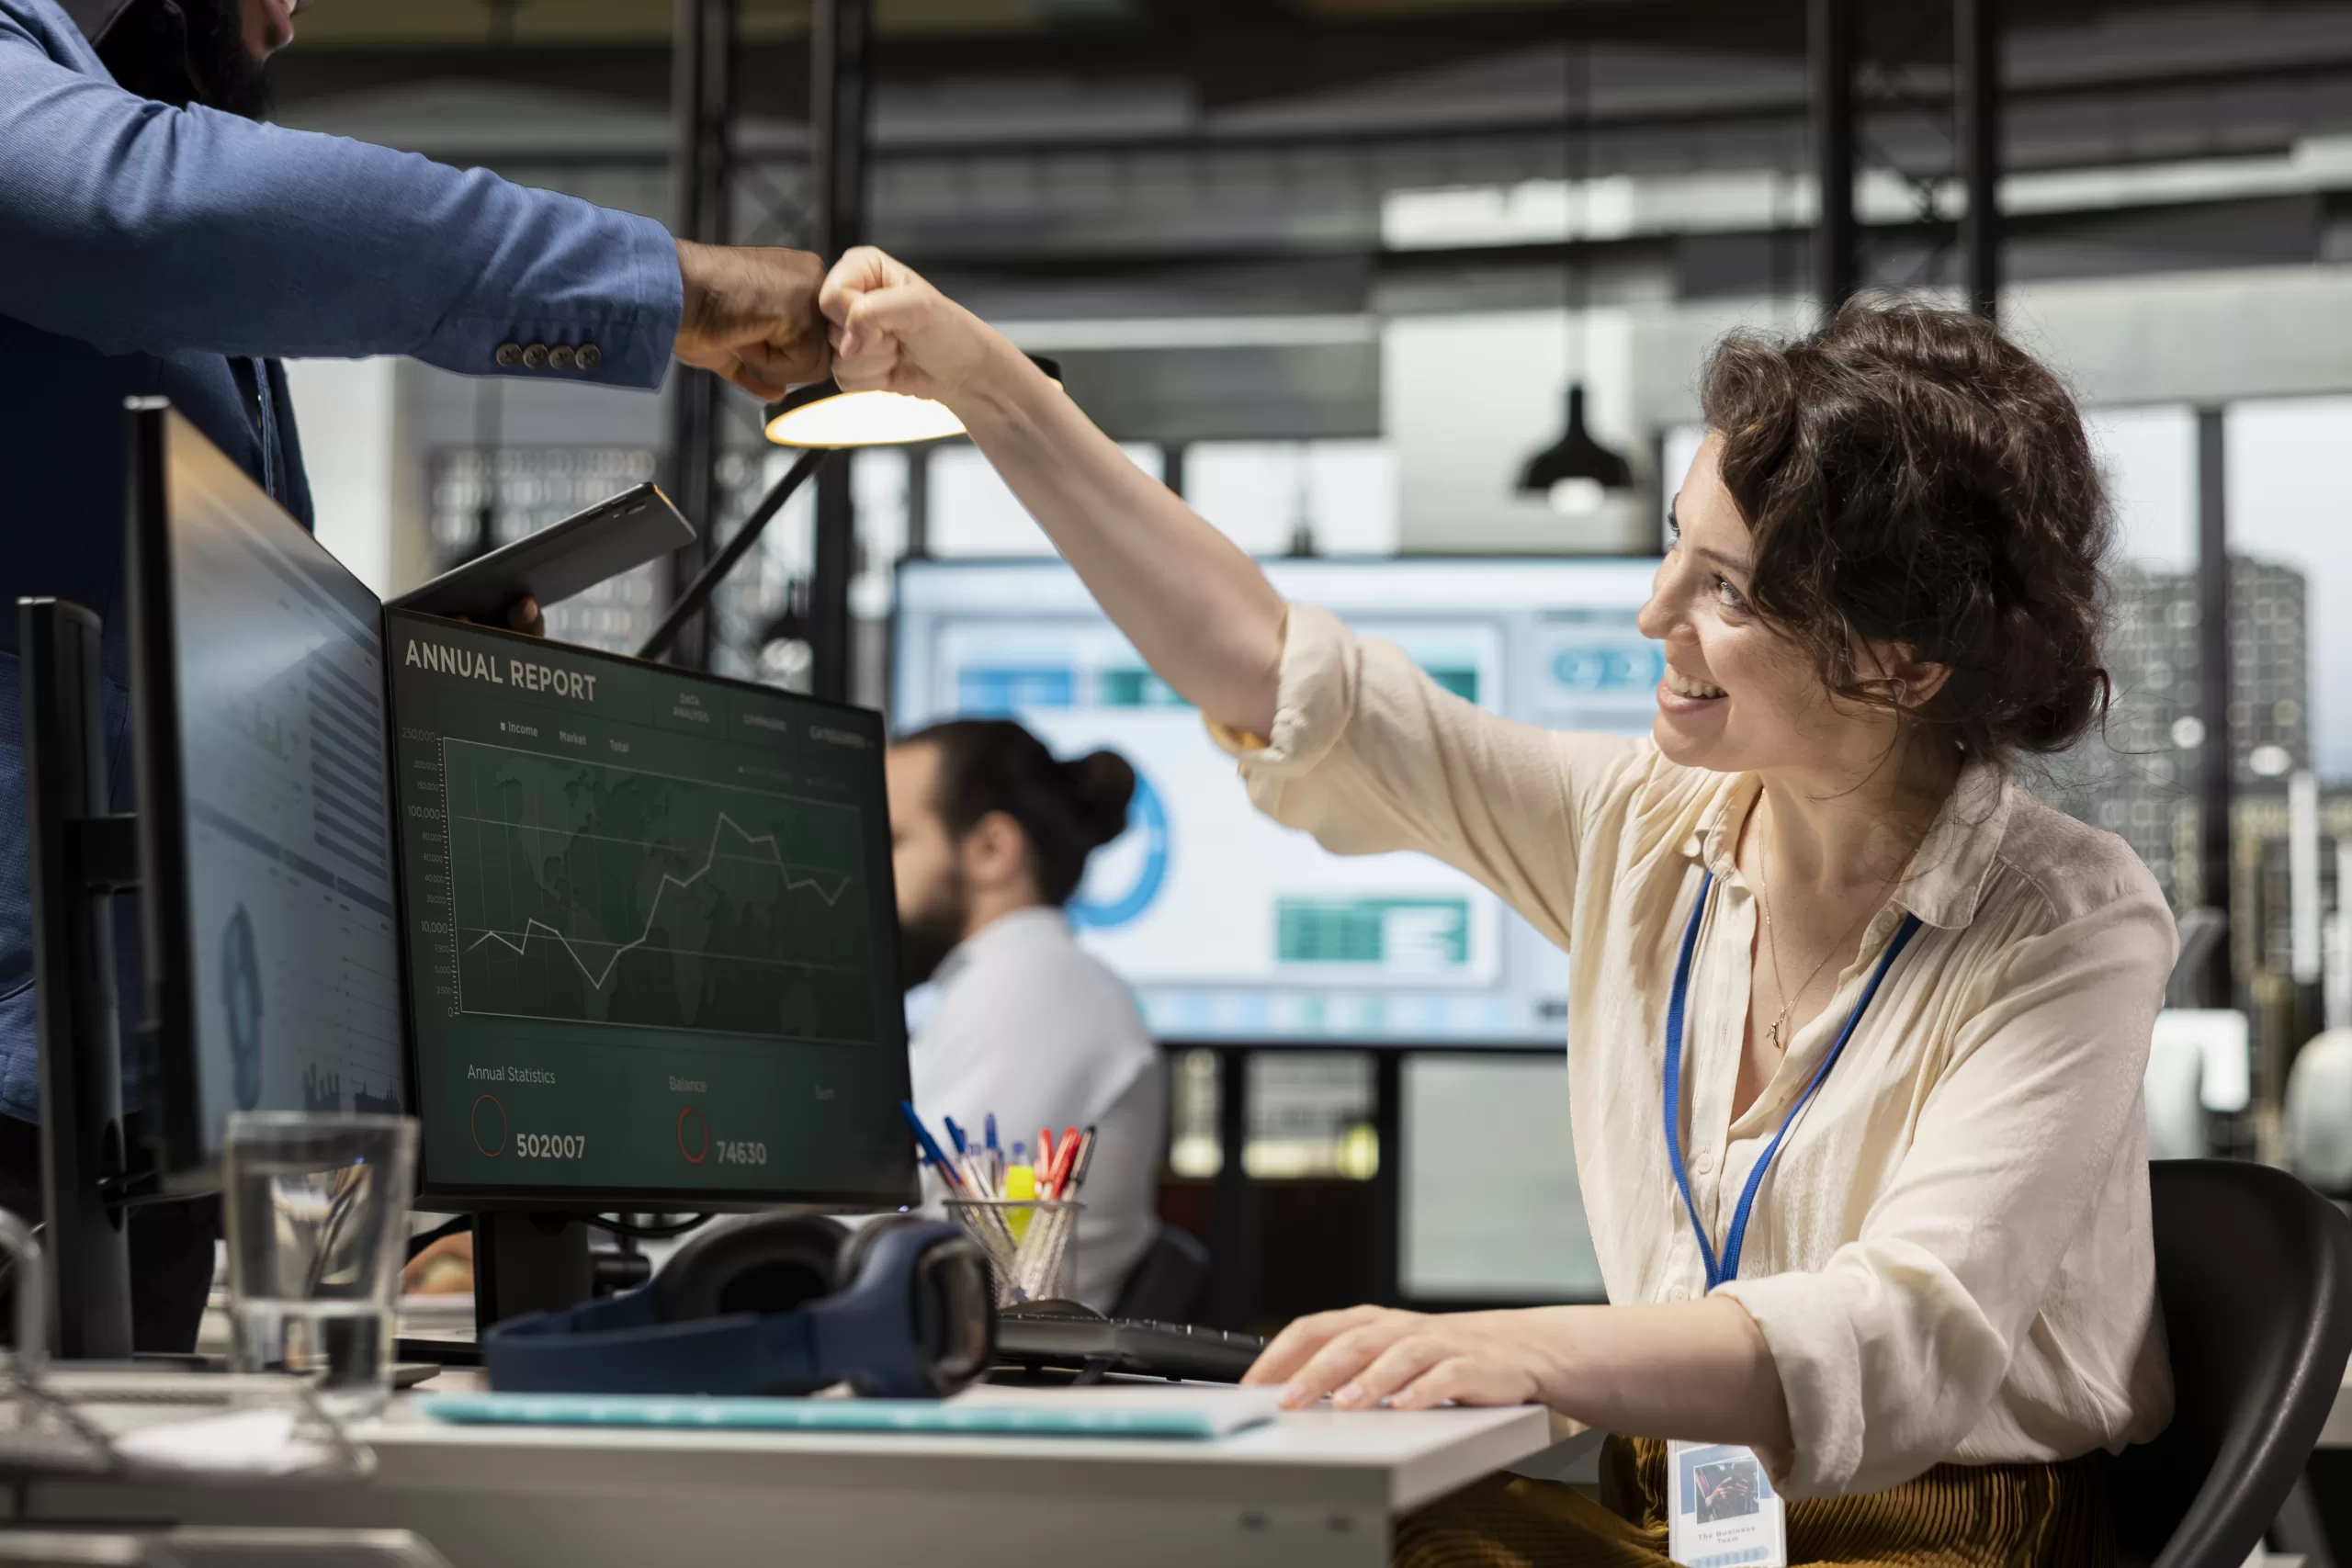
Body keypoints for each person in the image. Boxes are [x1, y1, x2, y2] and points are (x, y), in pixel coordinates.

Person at [816, 246, 2174, 1566]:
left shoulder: (2067, 919)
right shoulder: (1644, 826)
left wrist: (1525, 1345)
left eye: (1729, 591)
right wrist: (987, 385)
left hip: (1941, 1531)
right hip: (1676, 1507)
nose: (1655, 616)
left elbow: (1907, 1337)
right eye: (1670, 550)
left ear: (1902, 659)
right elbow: (1297, 687)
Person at [0, 0, 836, 1348]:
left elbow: (154, 676)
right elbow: (130, 212)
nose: (293, 12)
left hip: (130, 1103)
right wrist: (670, 286)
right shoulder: (85, 154)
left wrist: (381, 699)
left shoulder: (161, 250)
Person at [888, 719, 1166, 1312]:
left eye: (893, 842)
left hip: (1002, 1367)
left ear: (992, 849)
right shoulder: (1005, 982)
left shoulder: (1033, 985)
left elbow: (914, 1235)